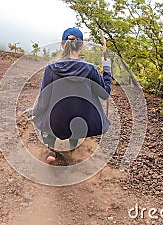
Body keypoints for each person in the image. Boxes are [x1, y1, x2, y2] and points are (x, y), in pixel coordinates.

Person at [25, 27, 112, 163]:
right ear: (81, 45)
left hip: (56, 124)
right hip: (81, 125)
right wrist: (107, 70)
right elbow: (105, 94)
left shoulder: (51, 68)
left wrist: (33, 111)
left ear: (62, 44)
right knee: (76, 110)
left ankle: (51, 150)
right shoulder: (90, 69)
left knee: (47, 110)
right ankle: (72, 149)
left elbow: (43, 100)